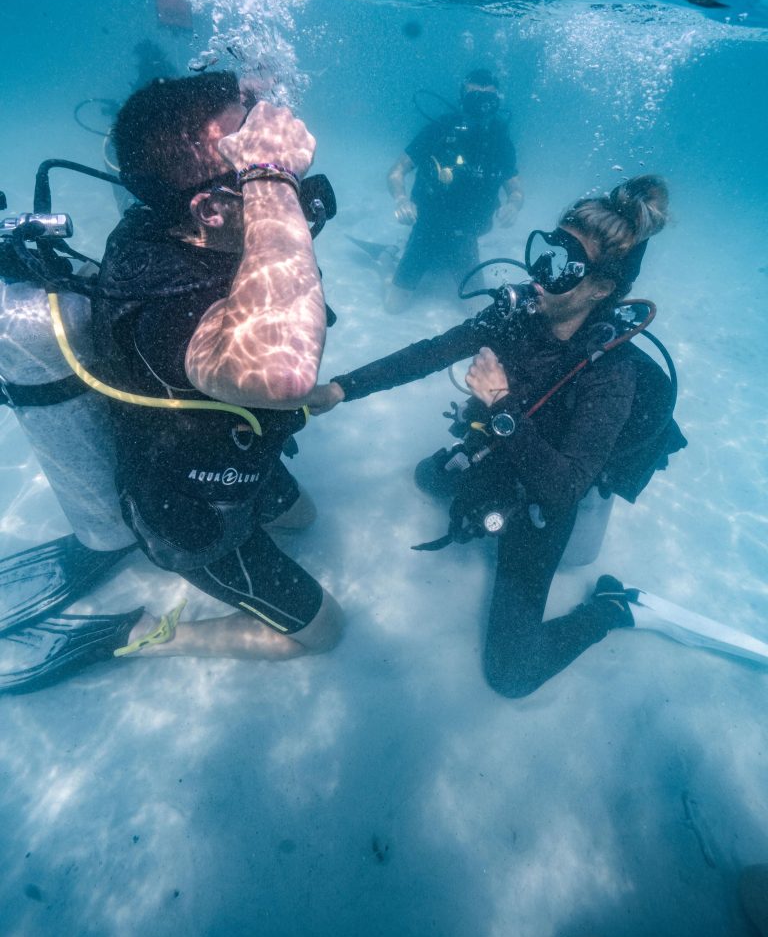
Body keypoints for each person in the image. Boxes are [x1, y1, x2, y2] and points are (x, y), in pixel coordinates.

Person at [0, 72, 343, 692]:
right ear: (211, 209)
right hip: (196, 513)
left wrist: (251, 100)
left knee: (307, 519)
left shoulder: (172, 218)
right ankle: (142, 635)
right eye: (244, 152)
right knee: (324, 635)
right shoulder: (171, 310)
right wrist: (270, 173)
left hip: (239, 448)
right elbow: (286, 372)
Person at [310, 176, 684, 698]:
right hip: (504, 449)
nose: (540, 273)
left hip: (549, 491)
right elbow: (431, 352)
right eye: (547, 249)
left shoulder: (610, 374)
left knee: (512, 673)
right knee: (429, 478)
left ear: (600, 288)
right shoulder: (518, 314)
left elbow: (563, 488)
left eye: (565, 266)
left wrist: (500, 405)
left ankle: (610, 610)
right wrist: (340, 388)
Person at [383, 68, 522, 312]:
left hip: (465, 235)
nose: (481, 108)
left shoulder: (500, 142)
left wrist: (513, 205)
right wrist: (401, 199)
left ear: (496, 103)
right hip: (427, 228)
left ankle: (440, 264)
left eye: (488, 101)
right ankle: (387, 261)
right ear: (462, 101)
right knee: (394, 307)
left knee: (476, 309)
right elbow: (396, 171)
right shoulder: (438, 130)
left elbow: (516, 190)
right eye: (474, 99)